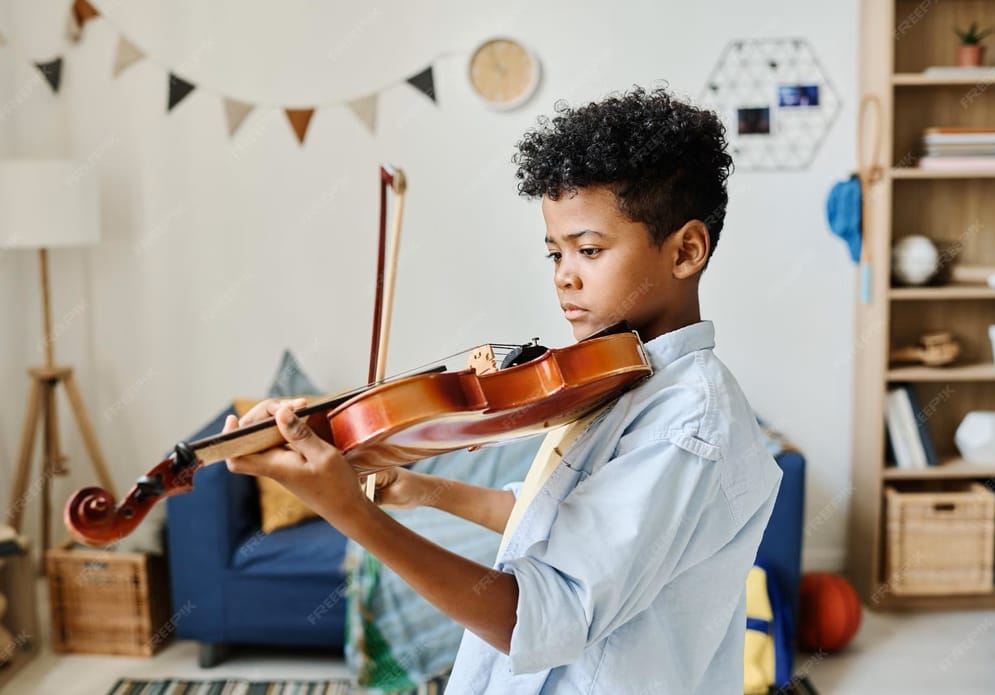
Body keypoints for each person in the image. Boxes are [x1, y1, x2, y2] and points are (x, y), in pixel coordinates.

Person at [224, 86, 782, 694]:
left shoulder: (688, 423)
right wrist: (425, 489)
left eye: (589, 250)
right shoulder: (624, 379)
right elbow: (556, 520)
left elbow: (544, 617)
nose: (564, 276)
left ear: (687, 250)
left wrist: (348, 512)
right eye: (554, 253)